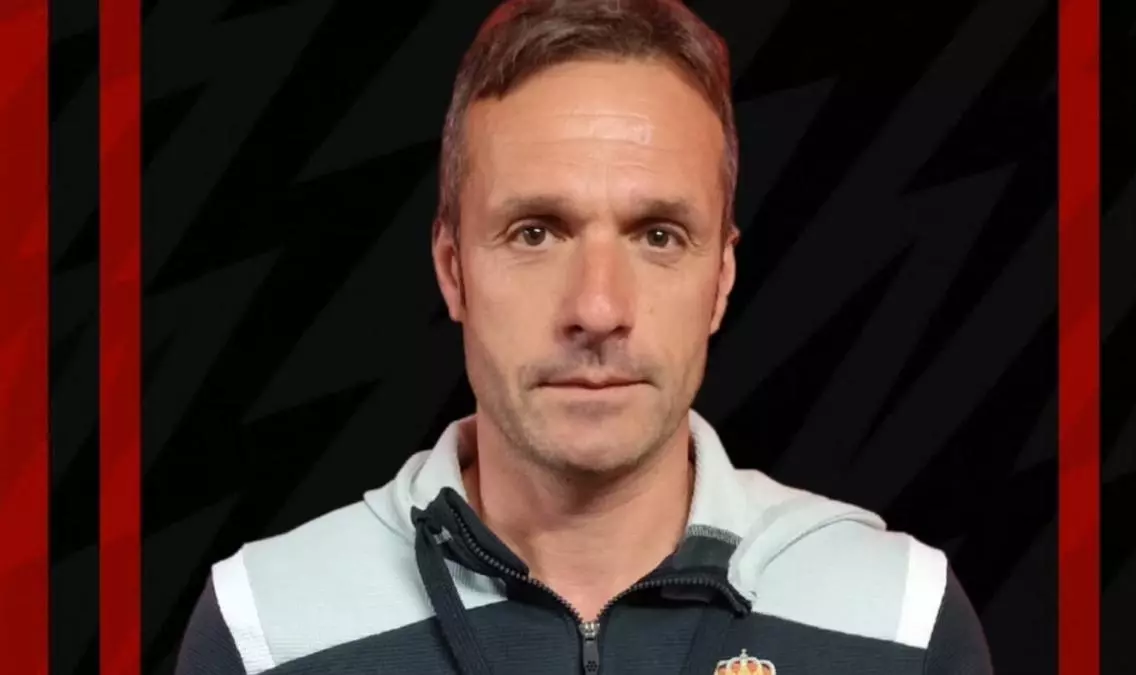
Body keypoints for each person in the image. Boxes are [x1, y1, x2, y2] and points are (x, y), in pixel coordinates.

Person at [175, 0, 993, 673]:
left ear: (722, 278)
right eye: (535, 232)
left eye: (659, 235)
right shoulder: (270, 626)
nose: (598, 308)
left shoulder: (898, 617)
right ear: (453, 270)